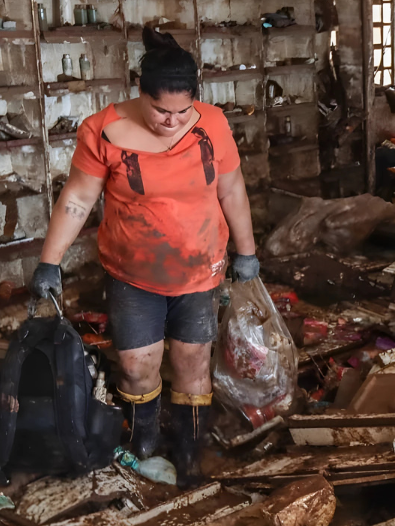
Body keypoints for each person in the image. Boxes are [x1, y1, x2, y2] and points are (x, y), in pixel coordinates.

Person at [28, 26, 258, 485]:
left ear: (196, 96)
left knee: (192, 361)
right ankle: (144, 442)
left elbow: (231, 189)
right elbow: (77, 199)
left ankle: (190, 452)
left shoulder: (212, 123)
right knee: (136, 365)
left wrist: (246, 252)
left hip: (199, 267)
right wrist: (49, 260)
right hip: (133, 271)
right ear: (139, 90)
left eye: (182, 110)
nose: (172, 121)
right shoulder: (103, 129)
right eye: (159, 110)